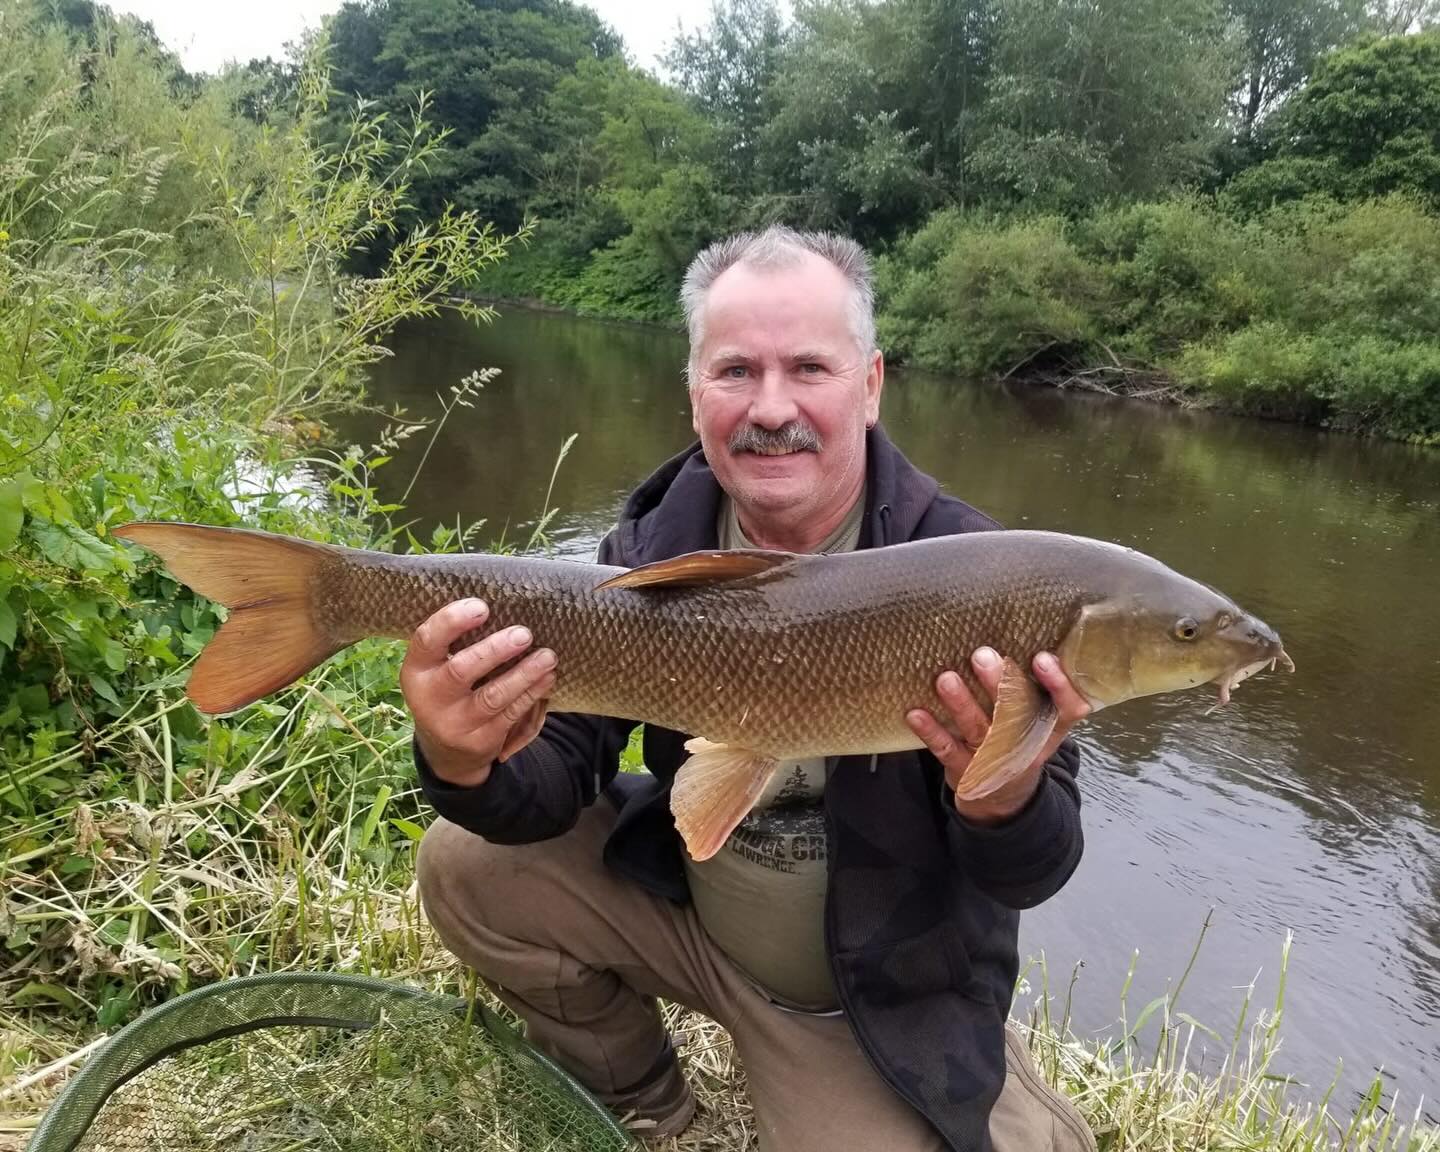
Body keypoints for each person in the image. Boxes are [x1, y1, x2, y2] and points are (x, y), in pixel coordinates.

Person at [403, 226, 1096, 1152]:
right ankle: (642, 1094)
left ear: (871, 385)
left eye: (810, 367)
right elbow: (559, 773)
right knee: (465, 863)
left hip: (861, 998)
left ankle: (1013, 1112)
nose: (772, 407)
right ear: (695, 396)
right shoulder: (656, 544)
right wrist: (462, 759)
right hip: (690, 915)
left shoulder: (985, 573)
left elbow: (1036, 870)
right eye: (735, 371)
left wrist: (1003, 799)